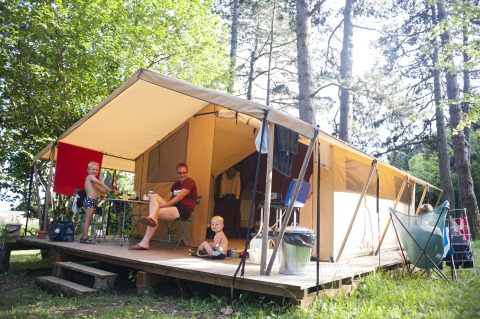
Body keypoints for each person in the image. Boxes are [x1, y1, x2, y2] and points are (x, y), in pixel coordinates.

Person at [129, 162, 198, 250]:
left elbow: (180, 197)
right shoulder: (176, 185)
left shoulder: (190, 182)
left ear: (187, 172)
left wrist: (163, 206)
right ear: (177, 173)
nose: (182, 175)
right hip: (173, 208)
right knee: (154, 196)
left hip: (184, 210)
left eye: (184, 172)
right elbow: (168, 198)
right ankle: (151, 218)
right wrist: (158, 204)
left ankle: (145, 242)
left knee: (156, 212)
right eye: (180, 173)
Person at [81, 161, 110, 244]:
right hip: (89, 200)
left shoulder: (94, 182)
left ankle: (84, 237)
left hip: (93, 201)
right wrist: (108, 188)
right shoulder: (89, 177)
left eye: (96, 170)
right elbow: (100, 183)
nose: (95, 171)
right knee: (88, 219)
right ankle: (85, 237)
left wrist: (109, 192)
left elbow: (103, 191)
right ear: (88, 170)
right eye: (93, 169)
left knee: (89, 220)